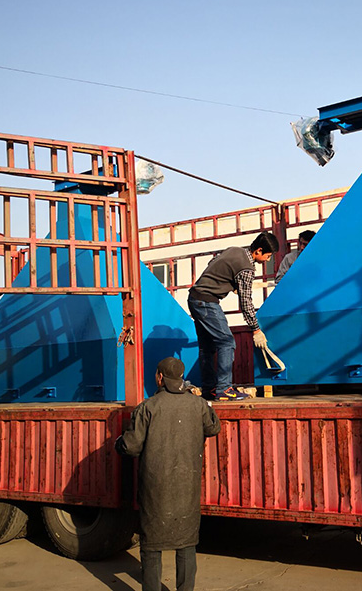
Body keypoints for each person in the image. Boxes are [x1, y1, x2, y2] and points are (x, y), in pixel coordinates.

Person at [115, 357, 221, 591]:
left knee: (152, 545)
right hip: (187, 485)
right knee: (186, 542)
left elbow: (131, 446)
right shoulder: (197, 404)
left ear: (160, 377)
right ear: (181, 378)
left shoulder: (148, 407)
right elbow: (214, 427)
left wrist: (118, 442)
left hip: (155, 488)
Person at [187, 231, 278, 400]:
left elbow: (212, 263)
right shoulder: (247, 268)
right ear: (258, 250)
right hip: (207, 302)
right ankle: (224, 389)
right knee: (227, 342)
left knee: (207, 347)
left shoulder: (234, 250)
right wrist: (256, 329)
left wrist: (231, 283)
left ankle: (209, 389)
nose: (268, 260)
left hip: (194, 298)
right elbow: (246, 302)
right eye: (268, 256)